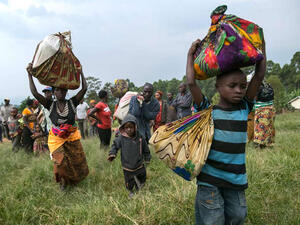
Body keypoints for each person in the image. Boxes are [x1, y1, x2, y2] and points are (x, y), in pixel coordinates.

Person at [186, 37, 266, 225]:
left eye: (242, 86)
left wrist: (260, 46)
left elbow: (259, 75)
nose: (239, 90)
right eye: (232, 86)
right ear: (218, 87)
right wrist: (190, 54)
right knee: (213, 220)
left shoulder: (244, 107)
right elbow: (191, 83)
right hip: (210, 178)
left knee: (238, 216)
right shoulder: (207, 110)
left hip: (236, 178)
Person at [26, 63, 89, 190]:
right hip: (56, 138)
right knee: (60, 162)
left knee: (76, 161)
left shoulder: (72, 102)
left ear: (66, 91)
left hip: (71, 136)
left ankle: (73, 180)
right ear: (54, 92)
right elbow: (35, 93)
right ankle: (63, 183)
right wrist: (29, 75)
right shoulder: (50, 104)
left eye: (63, 90)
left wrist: (81, 72)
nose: (60, 92)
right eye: (58, 90)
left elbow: (84, 88)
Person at [108, 114, 151, 197]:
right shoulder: (121, 138)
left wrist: (147, 158)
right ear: (123, 128)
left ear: (135, 127)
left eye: (131, 127)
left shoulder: (140, 137)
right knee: (129, 180)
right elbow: (115, 145)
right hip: (127, 165)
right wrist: (112, 154)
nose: (129, 129)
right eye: (126, 127)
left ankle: (140, 187)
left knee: (142, 176)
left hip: (139, 164)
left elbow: (146, 149)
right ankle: (130, 191)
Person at [253, 80, 275, 148]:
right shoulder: (268, 85)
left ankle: (260, 145)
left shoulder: (257, 86)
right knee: (269, 127)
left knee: (260, 128)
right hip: (271, 109)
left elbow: (254, 99)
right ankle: (269, 143)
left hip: (261, 110)